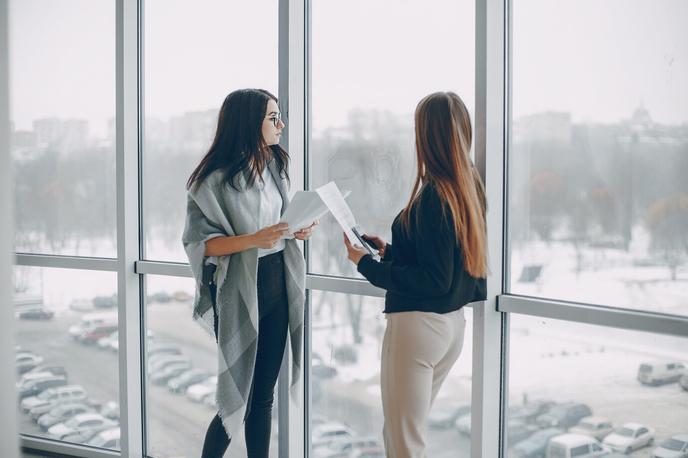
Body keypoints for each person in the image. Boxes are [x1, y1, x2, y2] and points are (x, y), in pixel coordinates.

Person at [343, 91, 488, 458]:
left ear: (427, 135)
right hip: (450, 327)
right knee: (407, 439)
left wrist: (366, 265)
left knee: (404, 445)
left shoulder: (435, 195)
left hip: (418, 329)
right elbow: (444, 262)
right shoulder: (467, 187)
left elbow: (433, 279)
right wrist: (390, 252)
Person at [182, 88, 317, 458]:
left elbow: (276, 225)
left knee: (263, 398)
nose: (281, 125)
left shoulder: (274, 166)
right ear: (248, 122)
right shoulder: (211, 180)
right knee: (234, 399)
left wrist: (296, 229)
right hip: (242, 287)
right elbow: (200, 244)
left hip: (278, 280)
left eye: (279, 116)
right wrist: (252, 239)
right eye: (273, 118)